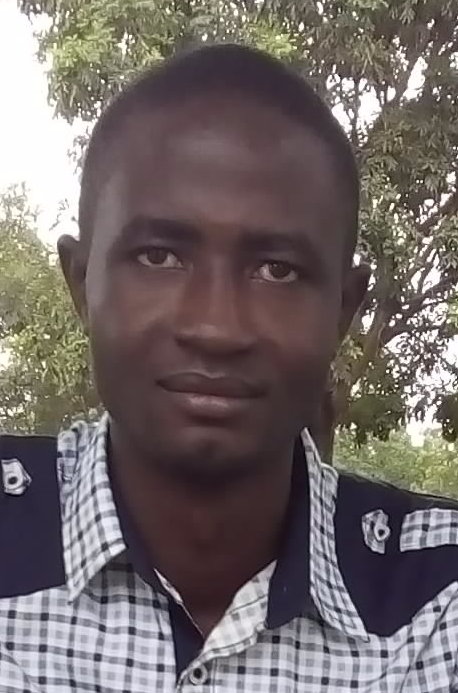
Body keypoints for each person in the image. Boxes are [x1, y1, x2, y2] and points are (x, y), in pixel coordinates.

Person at [0, 43, 457, 693]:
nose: (215, 327)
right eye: (159, 257)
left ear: (344, 309)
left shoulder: (437, 605)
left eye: (277, 269)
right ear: (81, 283)